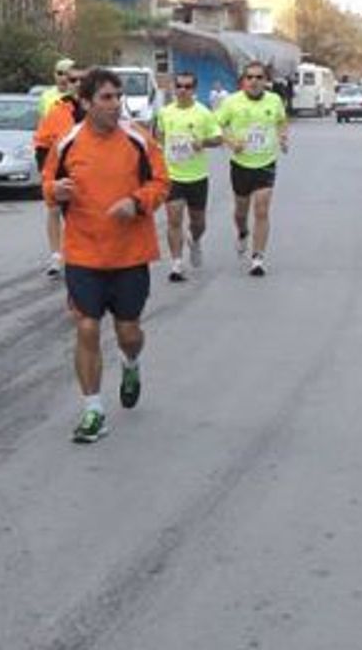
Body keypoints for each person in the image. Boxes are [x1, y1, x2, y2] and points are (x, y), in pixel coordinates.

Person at [42, 68, 169, 443]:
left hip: (130, 254)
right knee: (87, 327)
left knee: (128, 332)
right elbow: (47, 183)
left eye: (118, 97)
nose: (115, 105)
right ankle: (93, 410)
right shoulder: (67, 142)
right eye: (106, 98)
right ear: (86, 103)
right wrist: (55, 190)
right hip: (84, 254)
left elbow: (162, 181)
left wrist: (137, 202)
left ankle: (131, 362)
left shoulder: (137, 139)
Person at [216, 60, 290, 277]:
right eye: (250, 77)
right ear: (243, 81)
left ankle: (258, 258)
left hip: (266, 162)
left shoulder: (274, 100)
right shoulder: (231, 102)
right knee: (241, 212)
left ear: (265, 80)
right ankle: (242, 232)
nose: (254, 81)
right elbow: (215, 125)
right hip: (241, 164)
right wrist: (231, 142)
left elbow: (281, 121)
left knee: (261, 209)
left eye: (259, 77)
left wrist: (283, 137)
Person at [152, 71, 223, 282]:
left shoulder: (203, 113)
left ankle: (195, 240)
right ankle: (176, 264)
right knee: (174, 219)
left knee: (198, 222)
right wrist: (158, 153)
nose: (183, 90)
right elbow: (159, 138)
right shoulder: (165, 113)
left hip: (197, 176)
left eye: (188, 86)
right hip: (173, 175)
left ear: (194, 89)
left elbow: (218, 138)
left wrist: (203, 142)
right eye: (179, 86)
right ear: (174, 88)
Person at [33, 65, 87, 278]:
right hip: (60, 173)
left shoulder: (102, 110)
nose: (77, 84)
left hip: (89, 174)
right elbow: (42, 143)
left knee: (81, 217)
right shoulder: (57, 110)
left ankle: (82, 257)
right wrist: (46, 174)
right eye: (73, 80)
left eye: (82, 80)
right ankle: (56, 255)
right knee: (54, 210)